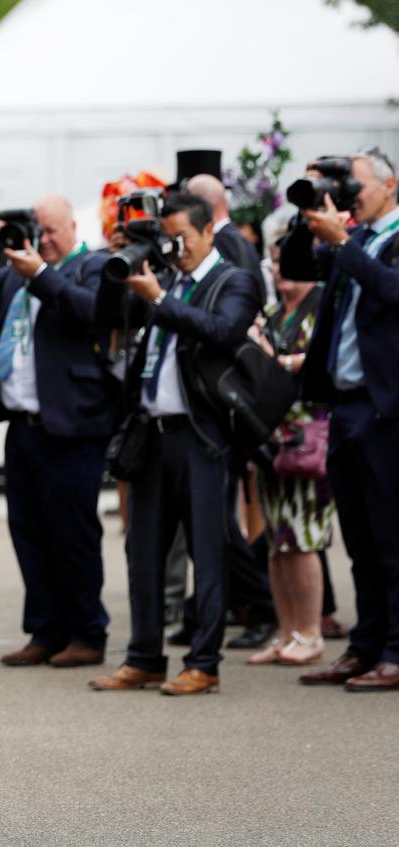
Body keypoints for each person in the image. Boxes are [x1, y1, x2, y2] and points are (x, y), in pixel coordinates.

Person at [89, 192, 260, 696]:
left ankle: (204, 662)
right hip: (152, 435)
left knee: (207, 552)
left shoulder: (233, 280)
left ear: (209, 231)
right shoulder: (161, 277)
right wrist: (117, 267)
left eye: (184, 236)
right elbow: (106, 317)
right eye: (170, 236)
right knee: (143, 552)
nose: (176, 246)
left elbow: (224, 332)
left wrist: (160, 301)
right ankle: (144, 657)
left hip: (201, 435)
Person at [0, 195, 115, 667]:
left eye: (52, 230)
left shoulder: (93, 265)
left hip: (72, 425)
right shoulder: (15, 271)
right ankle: (47, 631)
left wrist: (43, 276)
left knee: (73, 535)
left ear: (73, 226)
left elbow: (94, 312)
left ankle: (88, 632)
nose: (44, 240)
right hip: (23, 424)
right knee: (29, 533)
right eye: (38, 230)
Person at [289, 149, 399, 692]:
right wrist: (305, 216)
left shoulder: (390, 237)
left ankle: (396, 651)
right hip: (346, 403)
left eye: (354, 184)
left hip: (386, 407)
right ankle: (365, 646)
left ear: (390, 184)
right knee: (355, 535)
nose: (349, 194)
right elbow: (296, 269)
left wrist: (338, 240)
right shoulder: (353, 238)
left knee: (391, 536)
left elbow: (392, 290)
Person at [183, 173, 277, 651]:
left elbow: (231, 324)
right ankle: (211, 606)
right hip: (206, 404)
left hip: (224, 403)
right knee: (206, 518)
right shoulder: (223, 245)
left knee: (219, 519)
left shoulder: (231, 251)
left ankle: (259, 604)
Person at [245, 231, 334, 666]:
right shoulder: (273, 312)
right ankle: (287, 633)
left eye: (284, 262)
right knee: (276, 541)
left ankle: (311, 632)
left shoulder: (322, 304)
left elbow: (322, 360)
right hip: (270, 433)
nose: (278, 271)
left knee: (302, 538)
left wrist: (278, 361)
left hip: (309, 435)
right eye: (274, 262)